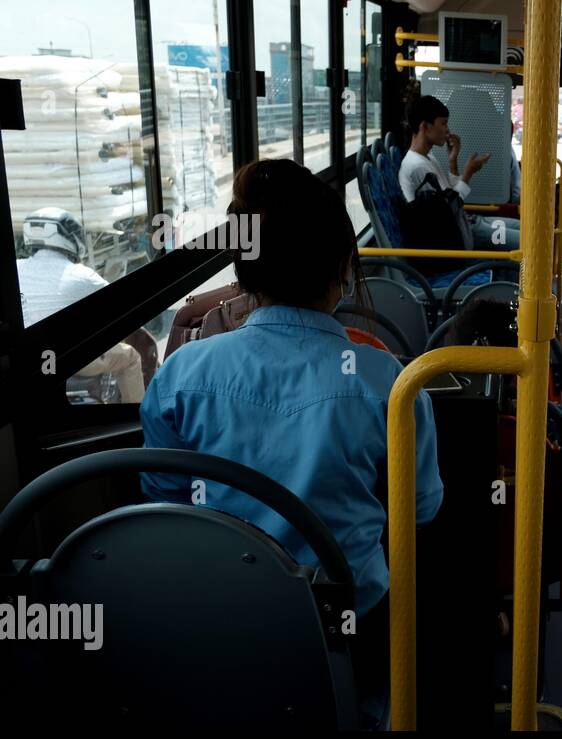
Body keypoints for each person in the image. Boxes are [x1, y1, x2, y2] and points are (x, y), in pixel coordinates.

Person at [139, 159, 443, 706]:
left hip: (221, 620)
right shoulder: (388, 382)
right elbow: (419, 510)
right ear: (343, 270)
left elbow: (167, 500)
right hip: (347, 620)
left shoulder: (180, 375)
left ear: (244, 273)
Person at [17, 207, 146, 403]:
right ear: (66, 237)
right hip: (66, 358)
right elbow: (121, 308)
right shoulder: (81, 275)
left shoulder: (17, 268)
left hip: (27, 359)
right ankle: (136, 419)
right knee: (130, 357)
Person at [398, 95, 521, 250]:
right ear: (425, 127)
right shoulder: (417, 167)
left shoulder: (427, 158)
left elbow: (448, 195)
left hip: (468, 222)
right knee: (527, 242)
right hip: (464, 233)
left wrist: (452, 161)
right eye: (443, 123)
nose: (447, 129)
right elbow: (447, 211)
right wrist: (468, 174)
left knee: (524, 228)